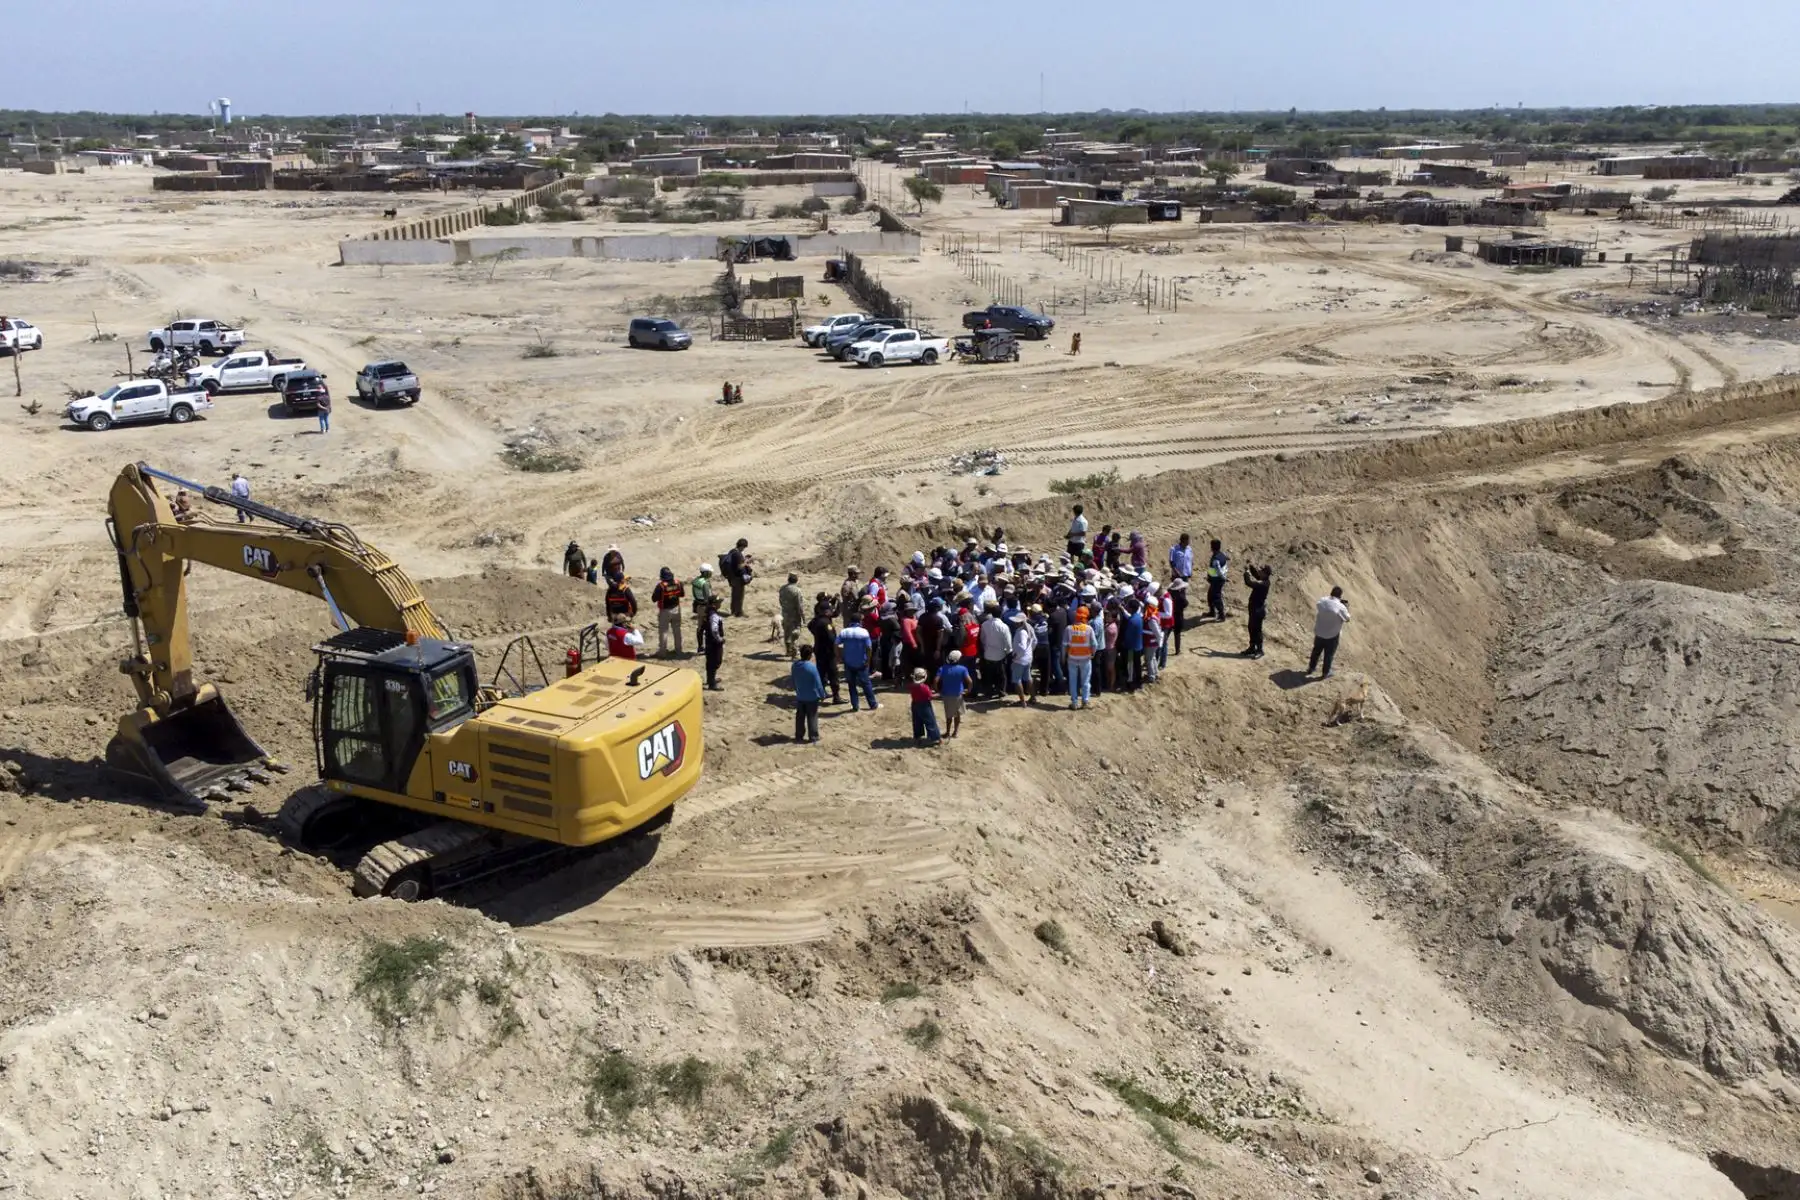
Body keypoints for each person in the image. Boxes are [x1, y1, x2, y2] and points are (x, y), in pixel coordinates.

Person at [836, 614, 878, 712]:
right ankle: (872, 704)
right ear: (859, 621)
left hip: (848, 662)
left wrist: (839, 657)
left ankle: (855, 706)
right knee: (866, 684)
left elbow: (836, 644)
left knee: (851, 685)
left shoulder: (844, 632)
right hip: (861, 663)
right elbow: (869, 648)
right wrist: (868, 660)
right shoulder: (864, 632)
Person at [1308, 586, 1350, 678]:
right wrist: (1346, 607)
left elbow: (1320, 604)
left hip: (1319, 631)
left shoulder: (1322, 601)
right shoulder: (1341, 607)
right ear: (1340, 596)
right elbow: (1347, 619)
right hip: (1332, 635)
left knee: (1316, 651)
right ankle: (1325, 673)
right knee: (1329, 654)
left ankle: (1311, 668)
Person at [809, 596, 841, 704]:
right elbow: (832, 639)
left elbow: (810, 626)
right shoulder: (826, 623)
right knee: (833, 674)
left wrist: (817, 635)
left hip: (819, 650)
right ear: (826, 611)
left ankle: (820, 694)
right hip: (828, 652)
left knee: (821, 673)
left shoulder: (816, 620)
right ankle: (836, 697)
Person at [977, 605, 1012, 701]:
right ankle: (1001, 691)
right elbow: (1008, 642)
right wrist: (1008, 652)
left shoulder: (984, 624)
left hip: (988, 654)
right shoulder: (1004, 627)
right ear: (1001, 614)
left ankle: (989, 692)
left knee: (989, 674)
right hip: (1000, 655)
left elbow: (982, 639)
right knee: (1001, 675)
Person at [791, 645, 824, 744]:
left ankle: (799, 735)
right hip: (812, 697)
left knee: (800, 717)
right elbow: (818, 684)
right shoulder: (812, 667)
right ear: (810, 655)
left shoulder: (795, 666)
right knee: (812, 716)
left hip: (800, 695)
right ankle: (813, 736)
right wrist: (822, 695)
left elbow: (793, 680)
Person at [1065, 605, 1095, 709]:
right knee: (1086, 681)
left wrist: (1066, 655)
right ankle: (1085, 701)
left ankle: (1074, 703)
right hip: (1086, 659)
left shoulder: (1069, 629)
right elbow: (1094, 644)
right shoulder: (1089, 629)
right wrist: (1093, 653)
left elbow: (1065, 644)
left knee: (1073, 681)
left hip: (1072, 658)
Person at [936, 650, 971, 738]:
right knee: (957, 715)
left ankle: (947, 732)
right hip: (958, 695)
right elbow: (970, 681)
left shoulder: (942, 668)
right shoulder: (963, 669)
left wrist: (938, 691)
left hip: (946, 695)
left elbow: (935, 681)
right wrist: (968, 690)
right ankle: (955, 732)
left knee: (948, 715)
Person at [651, 567, 685, 656]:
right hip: (676, 609)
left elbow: (653, 599)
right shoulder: (678, 583)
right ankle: (678, 650)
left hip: (665, 611)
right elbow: (682, 594)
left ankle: (662, 652)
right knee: (677, 630)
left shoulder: (661, 586)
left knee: (664, 631)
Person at [1008, 611, 1036, 706]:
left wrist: (1016, 655)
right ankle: (1033, 698)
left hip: (1020, 660)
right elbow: (1035, 642)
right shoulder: (1029, 628)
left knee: (1017, 680)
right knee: (1028, 678)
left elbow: (1022, 647)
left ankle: (1022, 701)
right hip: (1028, 658)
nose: (1015, 623)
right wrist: (1030, 651)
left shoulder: (1021, 632)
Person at [908, 668, 942, 746]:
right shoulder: (925, 687)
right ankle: (936, 738)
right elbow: (930, 696)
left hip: (915, 704)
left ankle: (918, 737)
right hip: (924, 705)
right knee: (930, 721)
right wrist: (939, 694)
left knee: (917, 721)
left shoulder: (912, 686)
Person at [1244, 564, 1271, 659]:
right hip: (1254, 609)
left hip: (1258, 611)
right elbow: (1256, 574)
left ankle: (1260, 650)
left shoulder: (1264, 583)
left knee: (1257, 630)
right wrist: (1250, 566)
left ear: (1265, 573)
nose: (1259, 571)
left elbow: (1249, 582)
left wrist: (1246, 573)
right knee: (1251, 628)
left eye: (1261, 570)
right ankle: (1252, 647)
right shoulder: (1263, 579)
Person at [779, 573, 805, 660]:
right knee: (795, 633)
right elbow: (800, 606)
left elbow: (781, 601)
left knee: (787, 632)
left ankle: (788, 651)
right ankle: (795, 654)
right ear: (797, 580)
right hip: (794, 615)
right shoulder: (797, 590)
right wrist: (803, 617)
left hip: (785, 614)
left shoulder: (782, 589)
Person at [724, 538, 752, 617]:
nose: (744, 549)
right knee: (739, 596)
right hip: (737, 578)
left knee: (734, 595)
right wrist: (746, 562)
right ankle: (738, 613)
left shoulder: (732, 551)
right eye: (744, 547)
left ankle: (734, 611)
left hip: (732, 577)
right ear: (742, 546)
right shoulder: (738, 554)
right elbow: (740, 567)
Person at [692, 564, 716, 653]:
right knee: (708, 628)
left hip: (698, 605)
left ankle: (700, 646)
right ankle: (707, 647)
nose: (711, 574)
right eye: (709, 572)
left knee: (700, 627)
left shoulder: (696, 581)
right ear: (706, 572)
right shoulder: (705, 583)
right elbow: (707, 598)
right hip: (705, 607)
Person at [703, 597, 726, 689]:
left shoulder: (708, 613)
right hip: (714, 642)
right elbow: (714, 629)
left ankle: (710, 679)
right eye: (718, 602)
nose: (720, 604)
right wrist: (719, 639)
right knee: (715, 661)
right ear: (714, 604)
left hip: (709, 640)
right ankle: (712, 684)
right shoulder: (714, 616)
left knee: (710, 661)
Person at [1206, 539, 1230, 622]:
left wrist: (1224, 578)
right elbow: (1227, 558)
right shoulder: (1222, 554)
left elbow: (1218, 571)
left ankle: (1221, 615)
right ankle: (1212, 612)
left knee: (1216, 597)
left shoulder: (1216, 559)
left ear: (1212, 547)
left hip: (1217, 580)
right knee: (1210, 595)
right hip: (1216, 580)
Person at [1168, 577, 1189, 655]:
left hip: (1170, 615)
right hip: (1178, 616)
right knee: (1177, 634)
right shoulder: (1181, 597)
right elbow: (1186, 604)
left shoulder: (1169, 592)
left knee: (1167, 633)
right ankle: (1177, 650)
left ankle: (1161, 648)